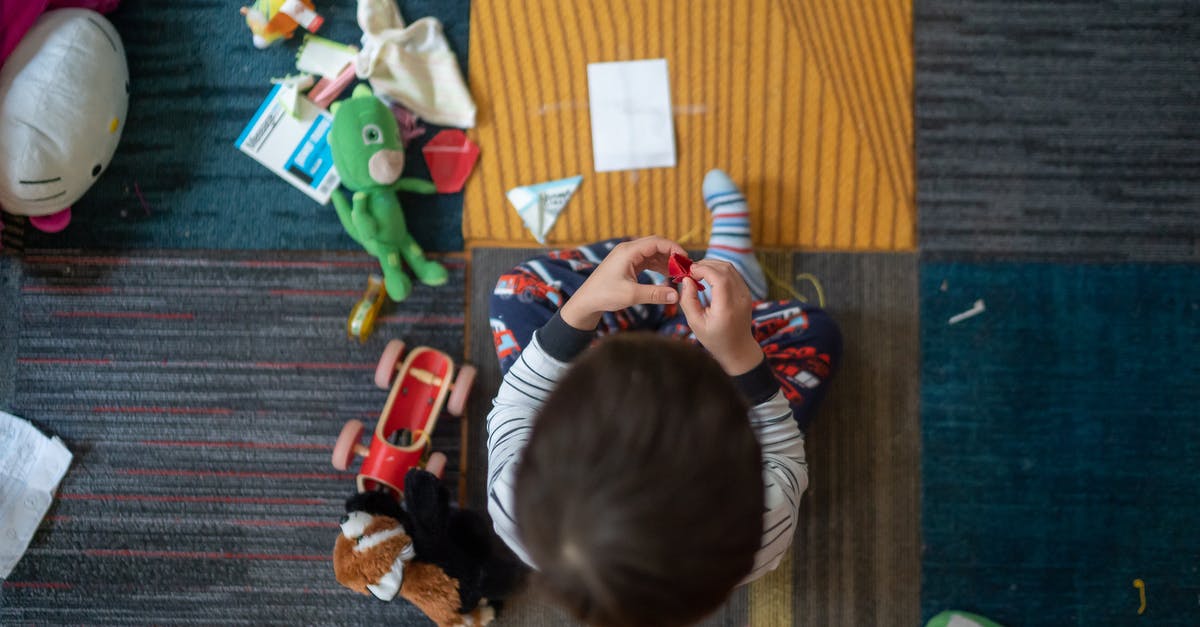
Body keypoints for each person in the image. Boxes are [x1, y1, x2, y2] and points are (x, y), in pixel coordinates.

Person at [485, 170, 842, 627]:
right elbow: (784, 455)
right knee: (816, 334)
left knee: (519, 293)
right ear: (735, 465)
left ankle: (666, 297)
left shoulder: (514, 504)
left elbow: (515, 405)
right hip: (708, 357)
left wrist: (582, 308)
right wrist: (741, 359)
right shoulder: (760, 528)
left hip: (606, 345)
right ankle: (721, 297)